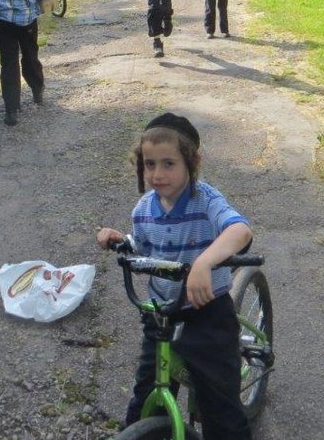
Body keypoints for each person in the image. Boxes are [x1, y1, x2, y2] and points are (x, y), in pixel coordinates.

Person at [96, 113, 253, 440]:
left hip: (206, 309)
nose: (157, 174)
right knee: (144, 395)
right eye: (149, 164)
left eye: (169, 164)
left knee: (220, 406)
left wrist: (204, 263)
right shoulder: (143, 209)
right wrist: (122, 241)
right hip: (161, 313)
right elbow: (146, 245)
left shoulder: (206, 200)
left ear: (192, 163)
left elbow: (239, 230)